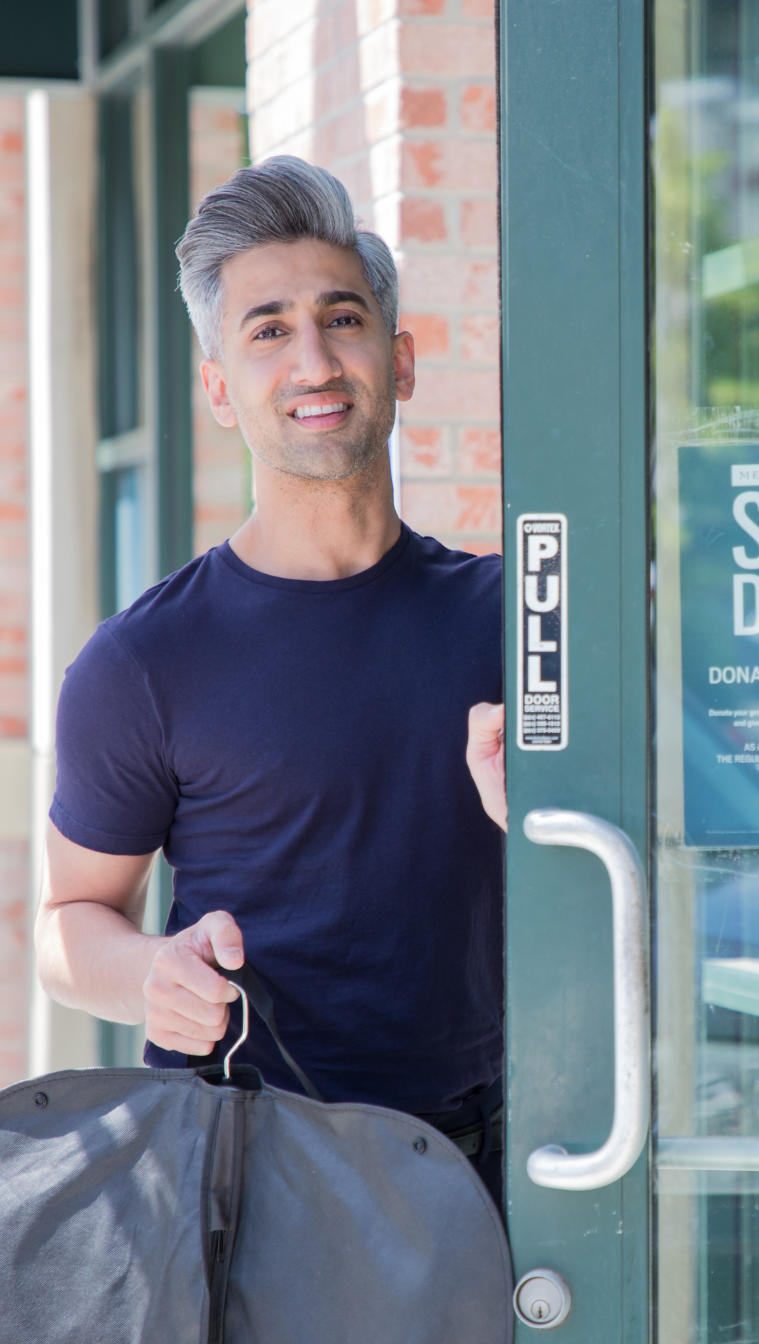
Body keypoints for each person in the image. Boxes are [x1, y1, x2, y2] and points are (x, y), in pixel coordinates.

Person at [35, 156, 507, 1200]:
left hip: (489, 1171)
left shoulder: (512, 620)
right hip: (239, 1184)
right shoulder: (143, 661)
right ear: (218, 387)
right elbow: (66, 924)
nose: (315, 361)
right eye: (267, 330)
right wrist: (150, 974)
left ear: (403, 357)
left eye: (344, 319)